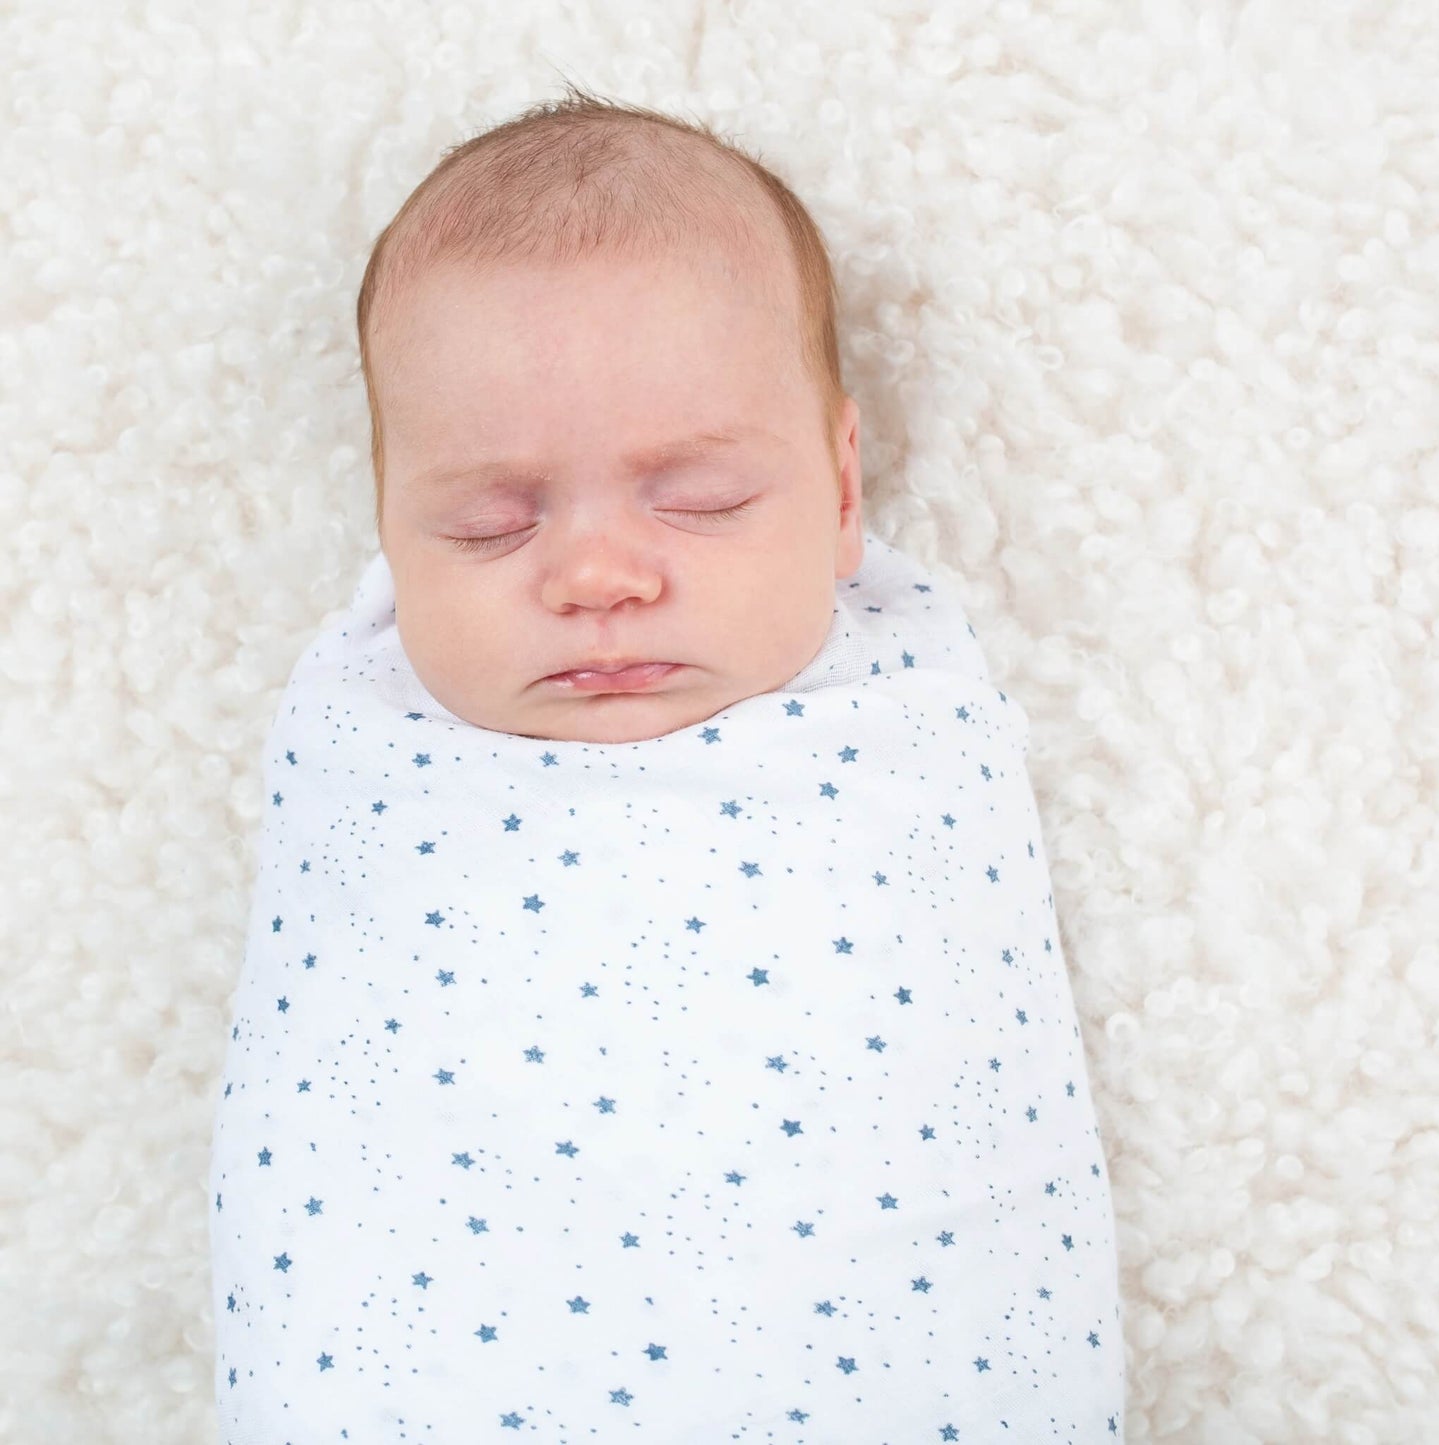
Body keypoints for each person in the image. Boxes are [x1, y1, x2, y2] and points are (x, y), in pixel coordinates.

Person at [209, 82, 1126, 1442]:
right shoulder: (373, 742)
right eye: (486, 521)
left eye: (698, 501)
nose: (594, 573)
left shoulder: (899, 722)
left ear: (841, 485)